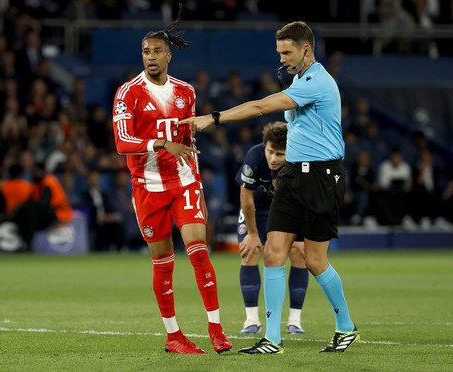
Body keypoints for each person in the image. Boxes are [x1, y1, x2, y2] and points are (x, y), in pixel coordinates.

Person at [179, 21, 359, 354]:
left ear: (306, 49)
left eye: (287, 52)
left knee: (314, 259)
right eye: (279, 53)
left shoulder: (317, 82)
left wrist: (213, 117)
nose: (282, 59)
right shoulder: (299, 80)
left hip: (322, 177)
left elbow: (261, 107)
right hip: (291, 177)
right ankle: (272, 338)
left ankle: (345, 326)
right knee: (274, 253)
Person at [111, 7, 232, 355]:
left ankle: (216, 328)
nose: (150, 57)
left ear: (168, 55)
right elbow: (122, 143)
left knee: (198, 253)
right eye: (146, 52)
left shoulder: (186, 91)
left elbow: (190, 142)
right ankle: (173, 336)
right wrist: (161, 143)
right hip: (147, 187)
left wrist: (199, 185)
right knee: (163, 263)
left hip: (183, 182)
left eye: (156, 51)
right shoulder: (127, 93)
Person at [235, 121, 308, 335]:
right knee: (250, 252)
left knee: (299, 252)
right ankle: (251, 320)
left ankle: (295, 321)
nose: (273, 159)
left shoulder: (300, 160)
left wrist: (302, 234)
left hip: (287, 210)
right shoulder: (255, 156)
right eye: (270, 152)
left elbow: (306, 199)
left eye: (280, 154)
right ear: (264, 146)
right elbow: (246, 196)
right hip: (256, 209)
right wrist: (252, 233)